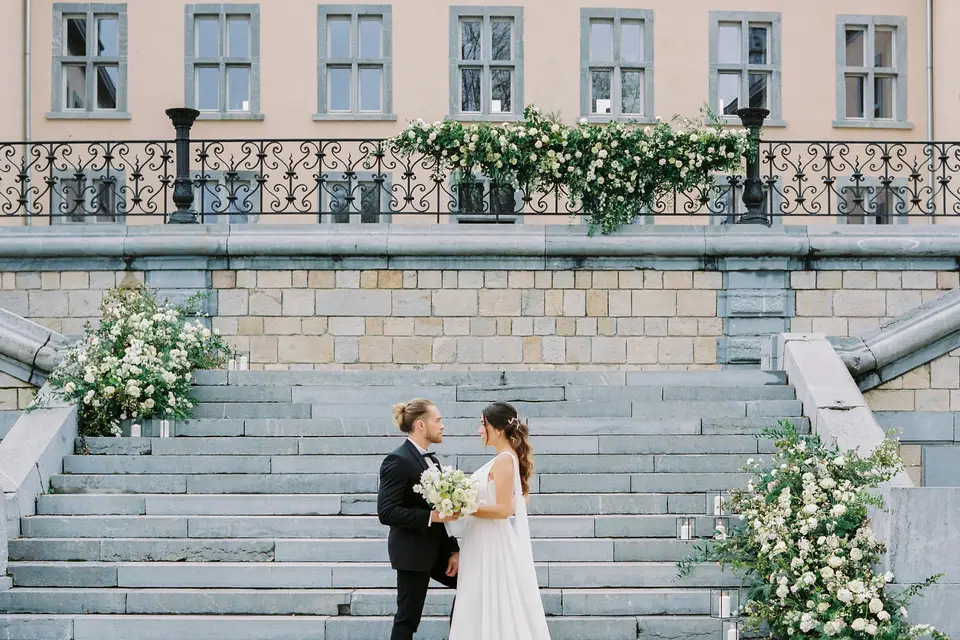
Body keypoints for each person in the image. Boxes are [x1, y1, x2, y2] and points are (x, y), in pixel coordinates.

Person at [449, 401, 552, 640]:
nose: (479, 430)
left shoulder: (505, 460)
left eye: (482, 424)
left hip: (491, 543)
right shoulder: (503, 458)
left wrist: (466, 507)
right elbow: (519, 501)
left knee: (491, 599)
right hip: (482, 540)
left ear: (498, 429)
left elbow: (505, 509)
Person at [377, 398, 461, 640]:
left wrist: (453, 550)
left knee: (473, 583)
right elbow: (386, 512)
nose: (442, 425)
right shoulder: (397, 460)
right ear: (421, 425)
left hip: (437, 551)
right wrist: (431, 516)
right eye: (438, 420)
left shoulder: (432, 461)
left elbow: (439, 512)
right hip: (412, 553)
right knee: (407, 618)